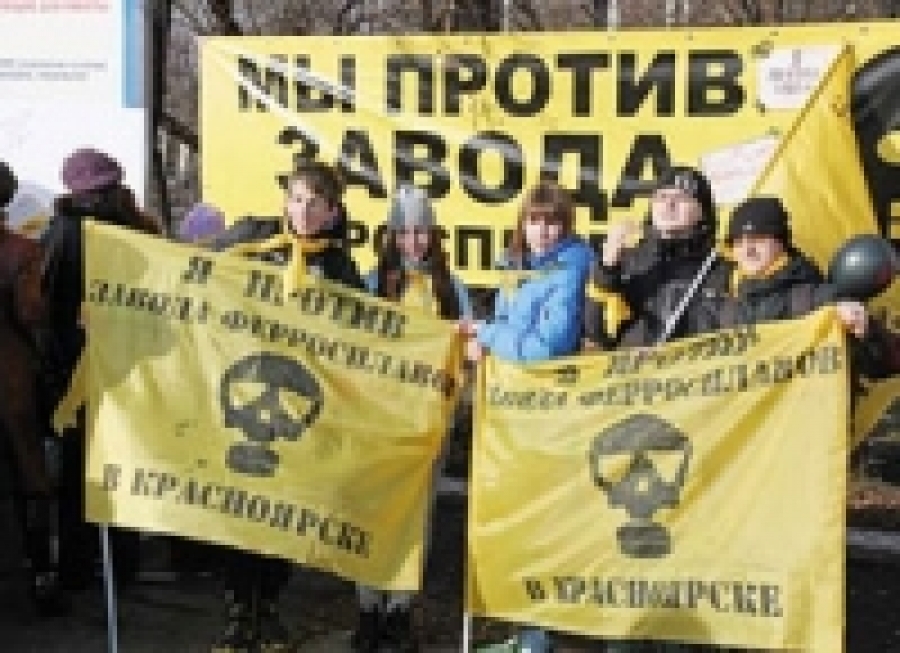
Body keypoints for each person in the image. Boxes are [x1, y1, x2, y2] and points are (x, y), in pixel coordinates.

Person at [210, 161, 365, 653]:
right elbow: (191, 269)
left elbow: (362, 329)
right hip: (244, 386)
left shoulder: (338, 266)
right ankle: (238, 611)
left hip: (296, 403)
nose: (303, 212)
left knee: (284, 511)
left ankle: (270, 607)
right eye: (296, 200)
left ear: (333, 212)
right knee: (240, 508)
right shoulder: (254, 236)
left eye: (315, 204)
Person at [459, 180, 593, 653]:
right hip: (511, 412)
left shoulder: (571, 269)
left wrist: (487, 335)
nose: (543, 232)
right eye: (535, 221)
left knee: (545, 521)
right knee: (516, 520)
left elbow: (544, 349)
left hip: (549, 412)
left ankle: (542, 631)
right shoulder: (514, 265)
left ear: (566, 225)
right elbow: (508, 326)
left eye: (553, 222)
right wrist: (484, 344)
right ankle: (524, 628)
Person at [351, 185, 472, 653]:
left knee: (416, 519)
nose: (413, 242)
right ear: (391, 236)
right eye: (404, 232)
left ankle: (400, 610)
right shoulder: (374, 283)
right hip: (379, 423)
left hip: (427, 426)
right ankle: (368, 607)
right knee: (370, 513)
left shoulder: (450, 288)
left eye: (421, 232)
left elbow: (465, 350)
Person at [41, 148, 161, 593]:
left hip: (82, 370)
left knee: (81, 475)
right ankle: (119, 565)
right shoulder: (139, 230)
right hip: (127, 369)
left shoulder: (65, 232)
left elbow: (50, 309)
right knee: (119, 466)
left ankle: (79, 566)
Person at [0, 160, 66, 616]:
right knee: (30, 476)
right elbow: (31, 313)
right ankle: (42, 575)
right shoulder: (22, 251)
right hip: (11, 381)